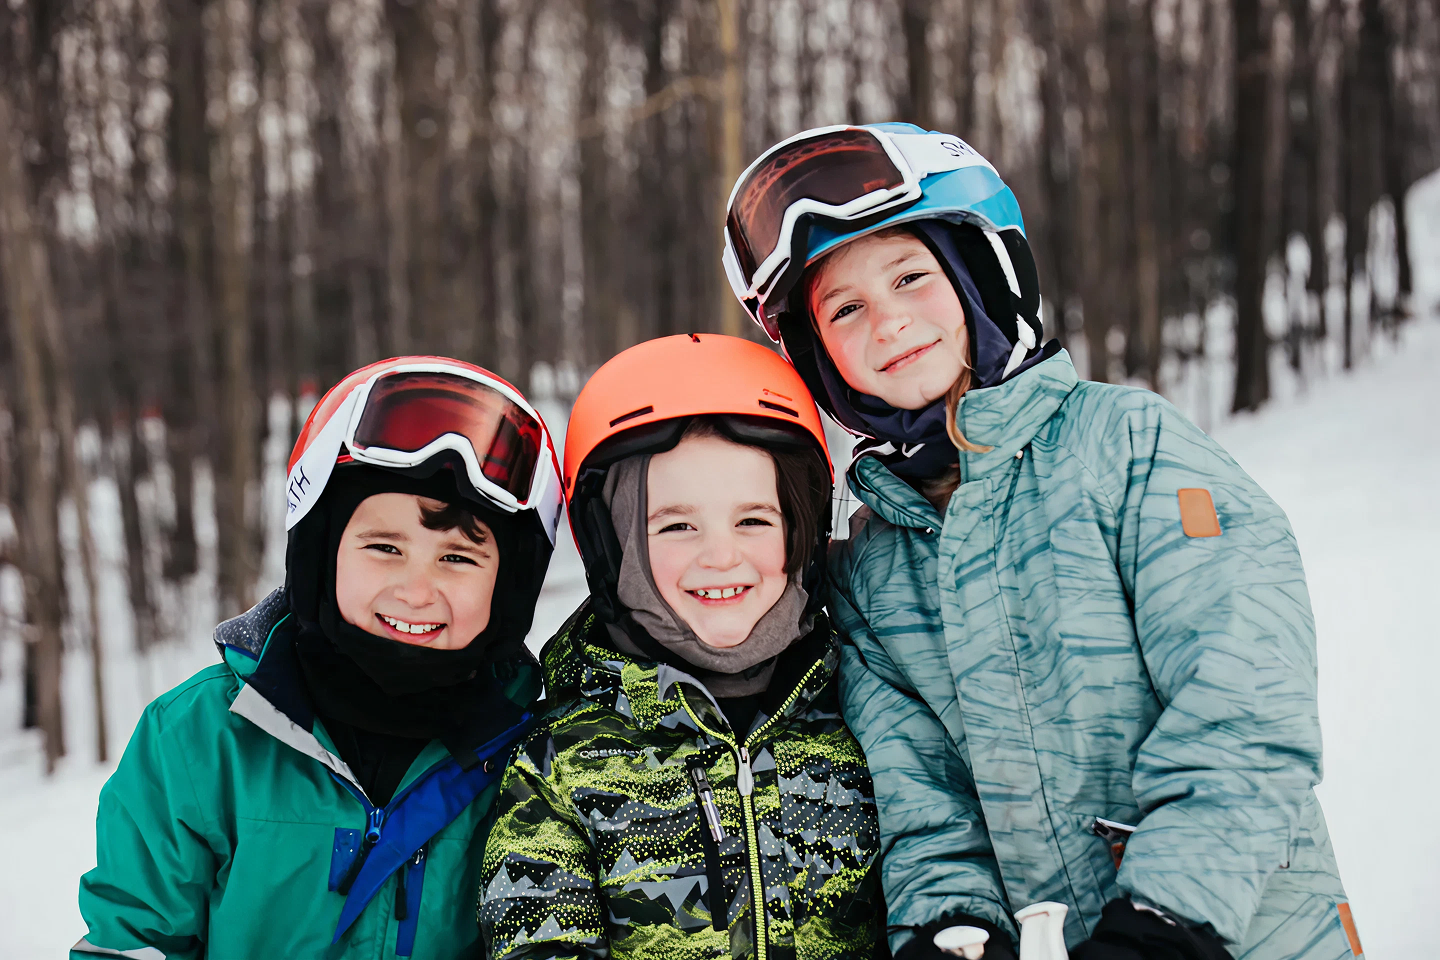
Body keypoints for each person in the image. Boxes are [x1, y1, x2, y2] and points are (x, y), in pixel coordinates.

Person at [721, 123, 1362, 960]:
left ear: (977, 278)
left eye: (911, 277)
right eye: (846, 309)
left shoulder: (1129, 446)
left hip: (1240, 934)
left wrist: (1167, 922)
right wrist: (951, 924)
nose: (888, 324)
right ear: (820, 356)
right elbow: (926, 801)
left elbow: (1243, 706)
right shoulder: (871, 572)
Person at [73, 357, 565, 959]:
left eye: (458, 558)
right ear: (320, 555)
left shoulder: (535, 763)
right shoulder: (201, 741)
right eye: (384, 547)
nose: (417, 590)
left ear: (508, 588)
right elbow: (133, 940)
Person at [478, 334, 887, 960]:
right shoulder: (560, 766)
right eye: (676, 525)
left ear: (802, 529)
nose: (721, 556)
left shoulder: (869, 709)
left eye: (754, 520)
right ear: (612, 546)